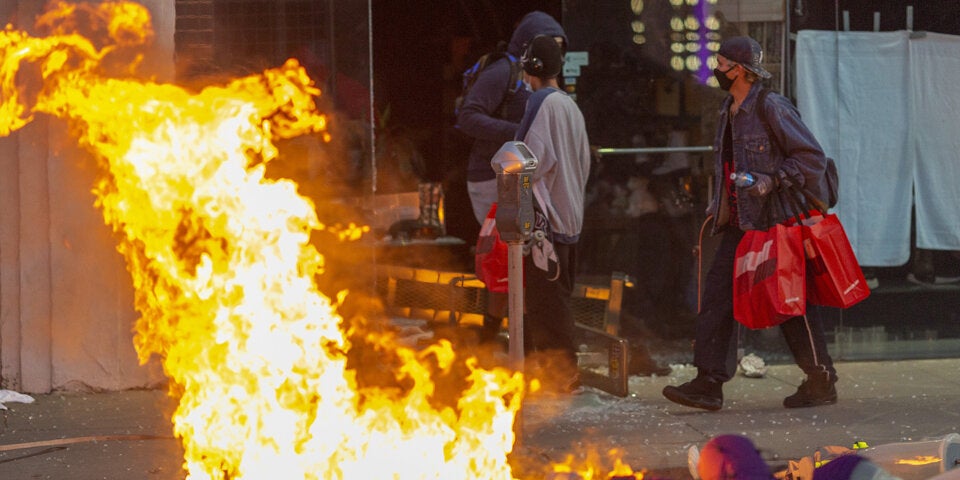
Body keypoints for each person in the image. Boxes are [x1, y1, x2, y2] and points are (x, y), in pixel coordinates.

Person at [662, 36, 838, 410]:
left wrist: (771, 180)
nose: (716, 70)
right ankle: (709, 382)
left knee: (790, 303)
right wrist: (719, 206)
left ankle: (820, 379)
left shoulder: (771, 106)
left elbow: (811, 158)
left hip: (775, 222)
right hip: (740, 224)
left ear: (739, 70)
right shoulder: (728, 109)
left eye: (721, 63)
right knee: (717, 298)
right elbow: (728, 165)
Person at [456, 11, 567, 344]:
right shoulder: (503, 71)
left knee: (520, 259)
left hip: (521, 177)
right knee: (513, 259)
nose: (555, 52)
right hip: (492, 178)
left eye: (560, 46)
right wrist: (519, 132)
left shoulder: (541, 78)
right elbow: (468, 117)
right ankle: (508, 339)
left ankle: (505, 338)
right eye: (549, 44)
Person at [514, 34, 591, 391]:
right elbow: (583, 161)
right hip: (570, 213)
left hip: (546, 219)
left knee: (546, 302)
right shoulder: (570, 106)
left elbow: (525, 160)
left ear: (531, 68)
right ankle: (556, 371)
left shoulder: (540, 102)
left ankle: (560, 373)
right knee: (558, 297)